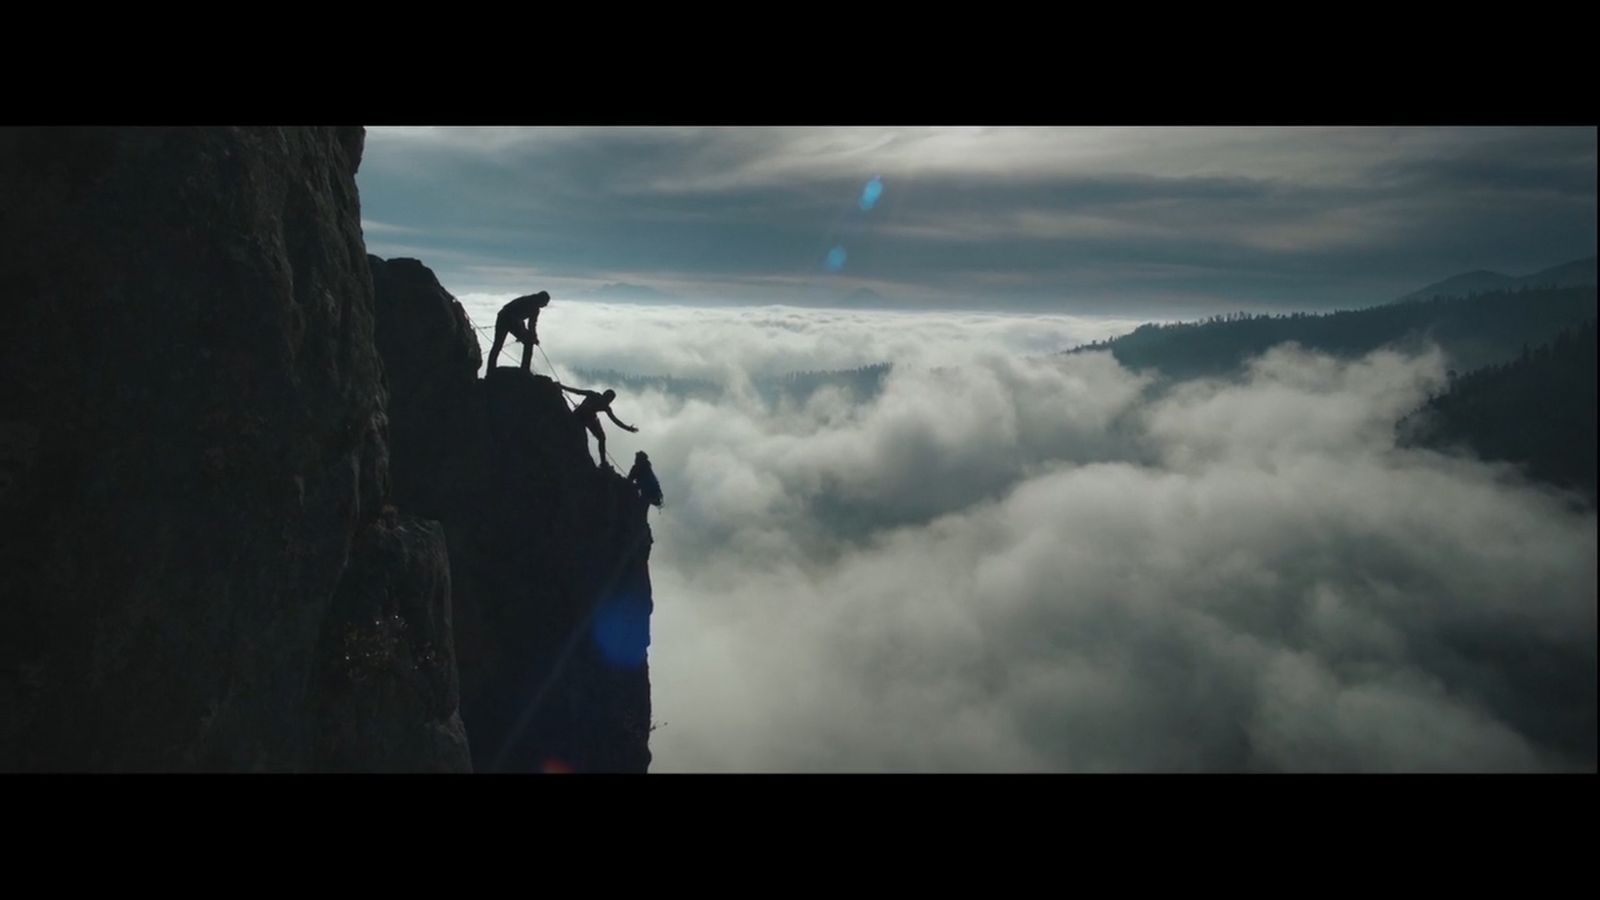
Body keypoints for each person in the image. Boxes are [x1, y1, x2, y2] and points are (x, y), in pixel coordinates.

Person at [557, 383, 638, 467]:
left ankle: (603, 462)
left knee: (601, 438)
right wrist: (628, 428)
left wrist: (562, 387)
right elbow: (615, 420)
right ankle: (603, 462)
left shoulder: (596, 398)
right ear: (607, 398)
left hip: (584, 416)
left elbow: (577, 391)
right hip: (585, 417)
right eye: (610, 400)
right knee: (601, 438)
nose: (609, 402)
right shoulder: (600, 401)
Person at [487, 291, 550, 371]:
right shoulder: (530, 303)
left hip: (507, 318)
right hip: (504, 318)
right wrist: (524, 333)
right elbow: (514, 316)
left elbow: (531, 325)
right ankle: (524, 369)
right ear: (541, 300)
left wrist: (532, 336)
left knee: (498, 346)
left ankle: (491, 370)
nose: (545, 305)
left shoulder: (533, 306)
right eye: (545, 303)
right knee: (498, 345)